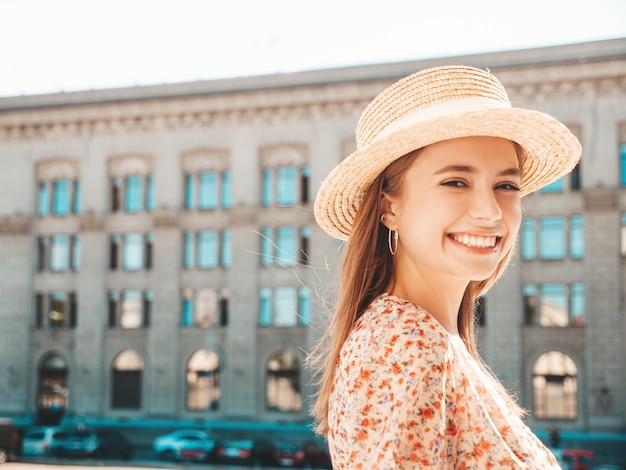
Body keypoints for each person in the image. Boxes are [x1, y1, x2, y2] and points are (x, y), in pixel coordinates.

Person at [308, 65, 581, 469]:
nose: (490, 212)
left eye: (506, 186)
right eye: (456, 181)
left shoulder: (416, 337)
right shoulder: (411, 347)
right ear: (389, 207)